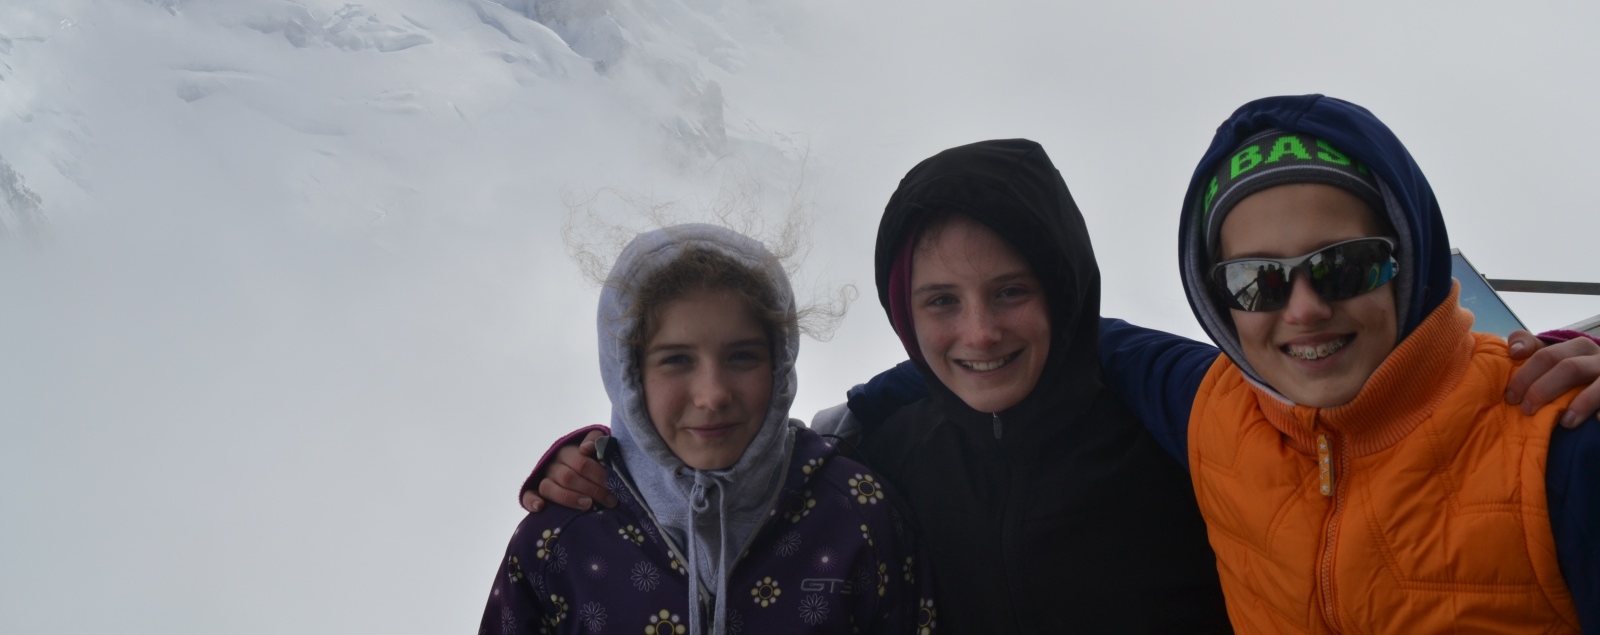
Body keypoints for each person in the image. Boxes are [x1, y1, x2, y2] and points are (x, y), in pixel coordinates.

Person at [524, 134, 1600, 630]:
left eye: (1013, 291)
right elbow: (741, 458)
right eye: (940, 302)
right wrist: (608, 461)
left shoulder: (1174, 412)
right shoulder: (876, 447)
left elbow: (1354, 404)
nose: (978, 333)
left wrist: (1533, 357)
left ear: (1068, 288)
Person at [1099, 94, 1600, 632]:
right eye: (1256, 280)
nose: (1304, 310)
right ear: (1216, 298)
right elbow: (1078, 329)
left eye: (1344, 265)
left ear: (1407, 262)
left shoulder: (1558, 441)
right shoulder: (1213, 409)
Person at [479, 224, 931, 635]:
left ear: (779, 365)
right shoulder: (562, 542)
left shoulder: (857, 514)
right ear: (629, 377)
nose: (712, 395)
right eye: (676, 360)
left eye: (742, 356)